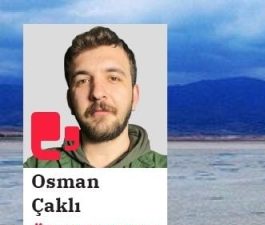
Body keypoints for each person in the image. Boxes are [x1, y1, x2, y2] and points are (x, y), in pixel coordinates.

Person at [24, 26, 166, 168]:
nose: (97, 93)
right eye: (83, 81)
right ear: (70, 101)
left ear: (134, 97)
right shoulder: (35, 167)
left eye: (113, 78)